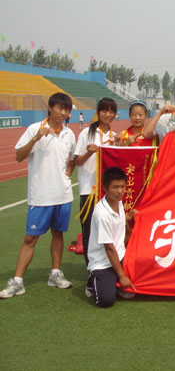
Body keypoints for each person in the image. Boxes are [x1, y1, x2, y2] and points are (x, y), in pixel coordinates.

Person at [0, 93, 76, 299]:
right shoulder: (34, 128)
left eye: (66, 109)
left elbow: (73, 158)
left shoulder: (69, 134)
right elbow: (18, 156)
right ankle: (17, 281)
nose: (62, 113)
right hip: (41, 195)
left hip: (63, 194)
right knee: (30, 238)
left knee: (58, 234)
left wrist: (69, 171)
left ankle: (55, 274)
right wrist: (36, 138)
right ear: (50, 108)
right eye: (59, 108)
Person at [74, 97, 118, 264]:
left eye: (111, 111)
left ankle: (107, 266)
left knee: (108, 231)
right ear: (98, 112)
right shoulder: (87, 133)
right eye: (104, 110)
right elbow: (77, 161)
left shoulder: (115, 137)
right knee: (89, 231)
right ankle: (91, 269)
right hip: (90, 190)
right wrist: (89, 153)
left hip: (108, 192)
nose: (108, 114)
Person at [86, 167, 136, 307]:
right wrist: (122, 276)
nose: (120, 191)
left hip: (121, 255)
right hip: (103, 262)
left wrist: (129, 217)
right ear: (105, 188)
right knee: (106, 300)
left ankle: (114, 280)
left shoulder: (118, 202)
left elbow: (118, 221)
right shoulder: (102, 214)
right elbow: (109, 248)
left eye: (122, 186)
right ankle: (93, 282)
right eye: (115, 187)